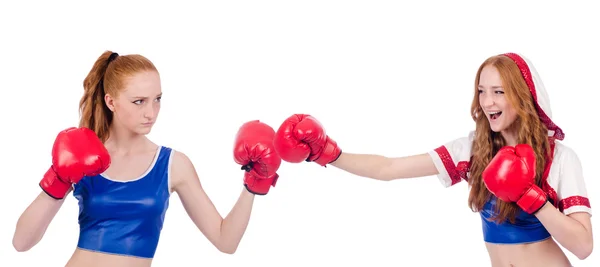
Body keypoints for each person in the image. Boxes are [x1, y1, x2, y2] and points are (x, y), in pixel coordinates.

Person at [272, 53, 593, 266]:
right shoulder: (473, 150)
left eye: (498, 91)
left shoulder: (560, 158)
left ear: (522, 96)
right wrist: (330, 153)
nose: (487, 101)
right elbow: (390, 168)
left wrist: (531, 197)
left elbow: (583, 247)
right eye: (482, 91)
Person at [12, 50, 282, 267]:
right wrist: (57, 178)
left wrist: (254, 182)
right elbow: (21, 243)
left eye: (158, 99)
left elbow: (226, 242)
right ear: (111, 101)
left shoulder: (172, 165)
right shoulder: (83, 157)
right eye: (139, 101)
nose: (151, 112)